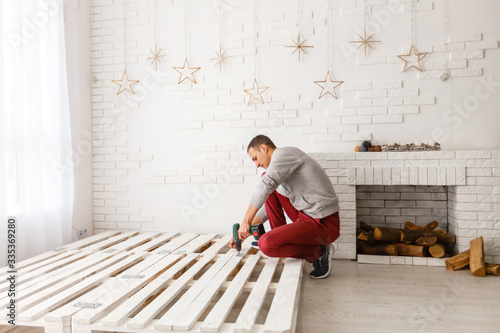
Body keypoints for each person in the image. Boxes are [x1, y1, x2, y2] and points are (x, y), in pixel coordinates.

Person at [230, 134, 340, 279]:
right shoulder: (280, 169)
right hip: (305, 215)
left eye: (255, 158)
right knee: (267, 181)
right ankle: (277, 235)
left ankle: (320, 252)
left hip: (324, 223)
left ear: (263, 148)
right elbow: (266, 202)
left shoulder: (284, 154)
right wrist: (246, 229)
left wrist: (245, 221)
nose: (256, 164)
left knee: (267, 245)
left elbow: (264, 187)